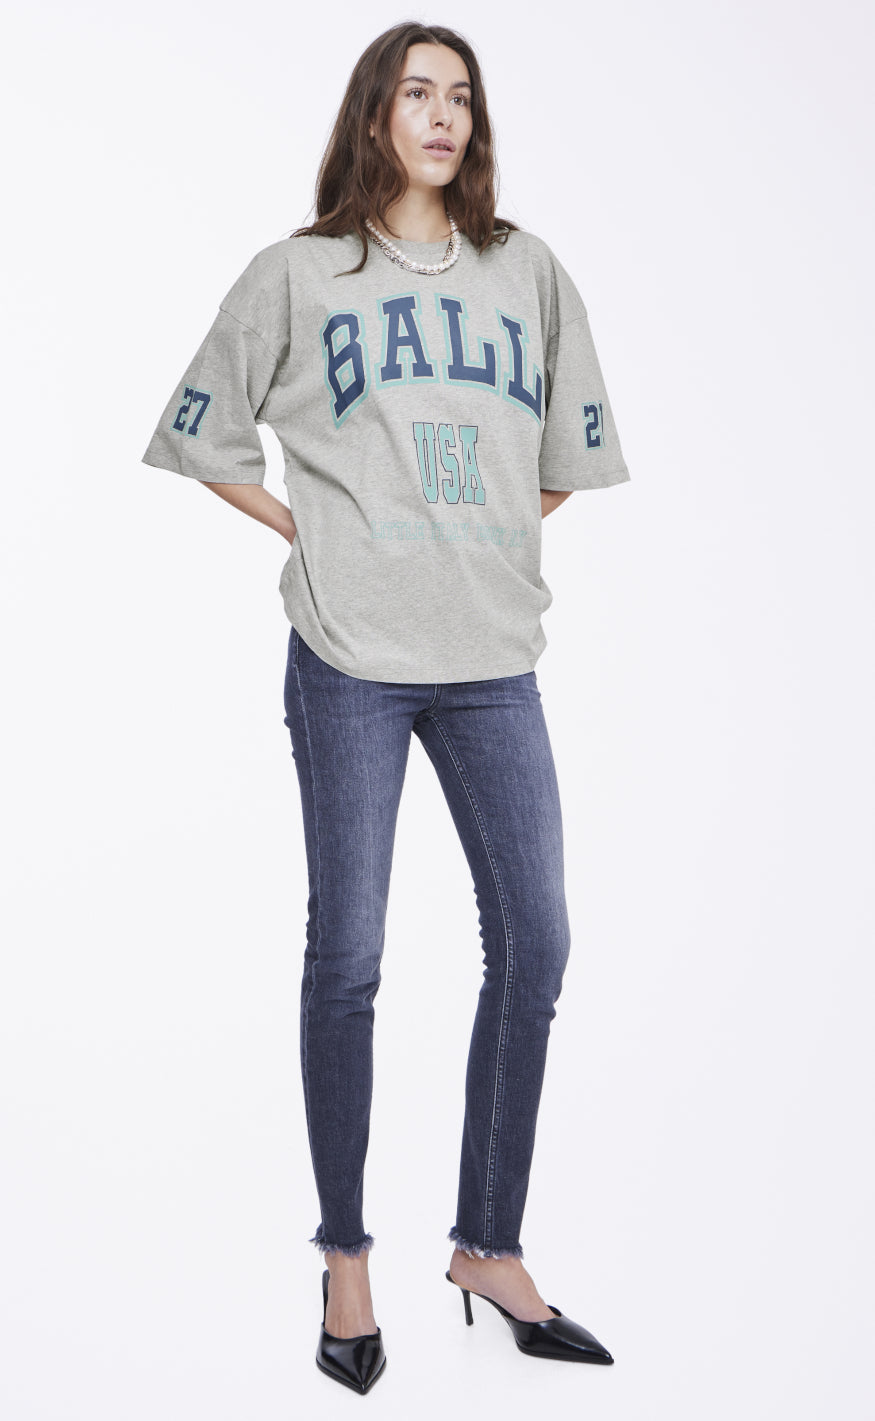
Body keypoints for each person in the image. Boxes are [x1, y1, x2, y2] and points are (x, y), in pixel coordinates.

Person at [141, 20, 630, 1395]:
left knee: (536, 940)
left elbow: (561, 457)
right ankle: (346, 1258)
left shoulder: (528, 272)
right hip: (348, 658)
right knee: (349, 954)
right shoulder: (298, 274)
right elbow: (201, 430)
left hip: (492, 661)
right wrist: (316, 531)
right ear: (374, 116)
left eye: (460, 96)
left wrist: (470, 540)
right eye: (417, 92)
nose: (442, 115)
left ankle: (488, 1246)